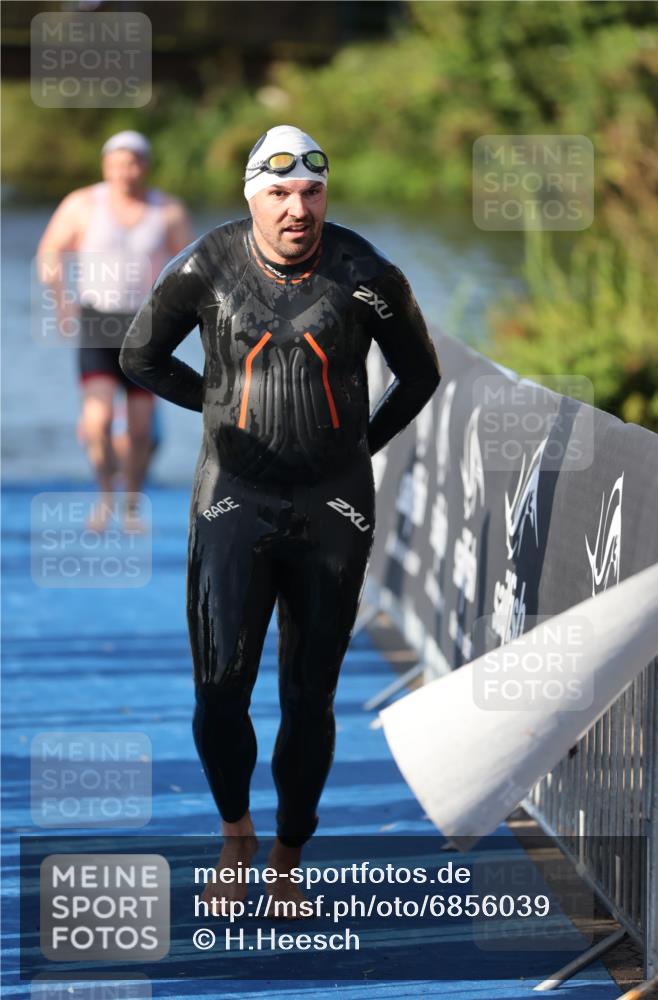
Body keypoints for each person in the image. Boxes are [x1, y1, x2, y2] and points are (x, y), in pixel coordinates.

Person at [120, 124, 441, 917]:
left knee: (310, 695)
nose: (298, 208)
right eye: (280, 193)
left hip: (333, 506)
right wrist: (219, 409)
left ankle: (289, 853)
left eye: (311, 192)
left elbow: (419, 374)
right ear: (252, 197)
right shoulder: (206, 265)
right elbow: (139, 357)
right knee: (220, 687)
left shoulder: (365, 272)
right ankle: (236, 835)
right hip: (232, 497)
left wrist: (357, 446)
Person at [36, 130, 193, 530]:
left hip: (144, 324)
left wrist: (182, 317)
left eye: (134, 162)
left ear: (146, 165)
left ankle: (132, 502)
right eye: (119, 163)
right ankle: (106, 494)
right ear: (106, 166)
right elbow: (50, 252)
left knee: (140, 429)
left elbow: (190, 269)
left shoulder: (167, 210)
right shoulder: (83, 204)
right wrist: (61, 299)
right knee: (97, 421)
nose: (126, 171)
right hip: (97, 320)